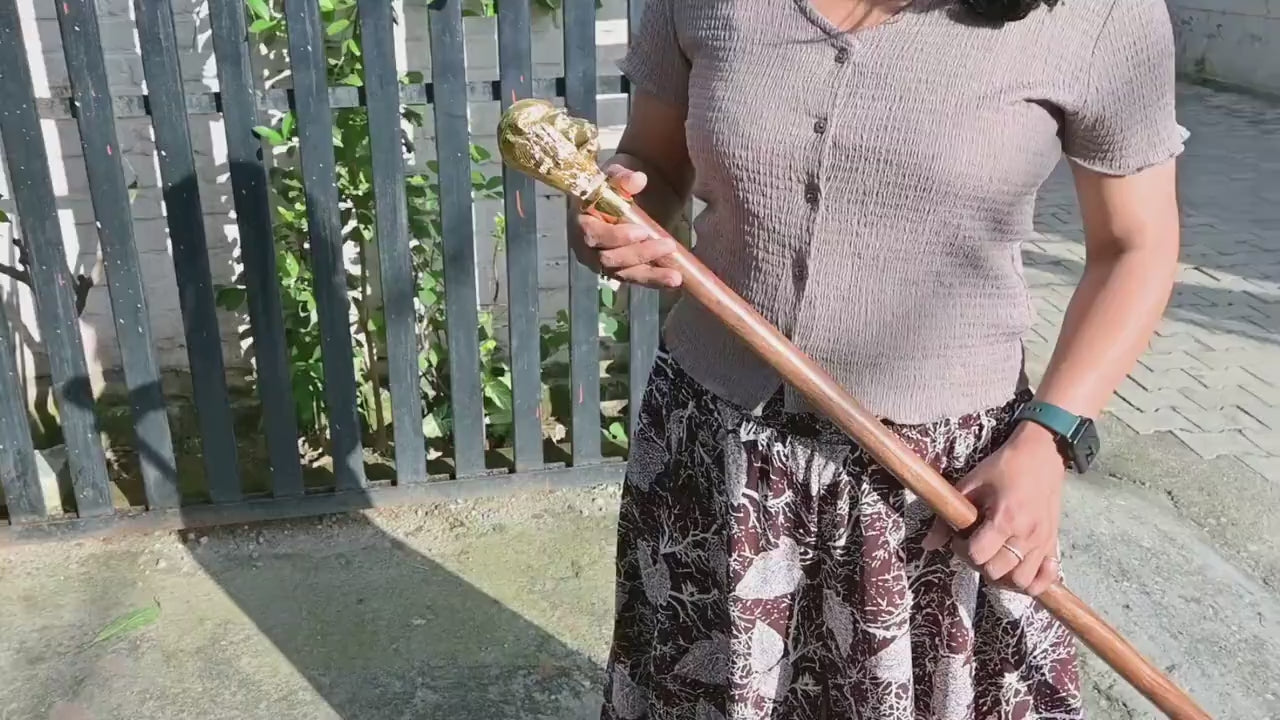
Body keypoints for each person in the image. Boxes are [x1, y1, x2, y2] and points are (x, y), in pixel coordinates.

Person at [578, 0, 1184, 717]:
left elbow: (1136, 248)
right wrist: (613, 215)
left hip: (937, 487)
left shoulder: (1100, 15)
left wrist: (1048, 441)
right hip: (712, 449)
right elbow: (651, 160)